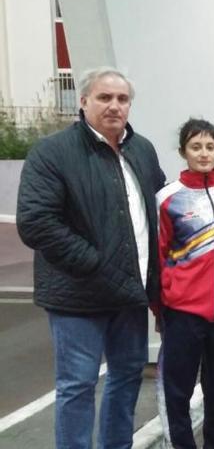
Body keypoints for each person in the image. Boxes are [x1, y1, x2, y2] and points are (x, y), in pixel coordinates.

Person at [16, 67, 166, 448]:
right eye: (104, 98)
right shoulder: (53, 152)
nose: (114, 106)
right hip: (77, 295)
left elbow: (162, 204)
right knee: (78, 385)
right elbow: (36, 222)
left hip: (129, 296)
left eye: (122, 99)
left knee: (127, 376)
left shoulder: (141, 149)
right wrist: (93, 263)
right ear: (83, 102)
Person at [155, 117, 214, 449]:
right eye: (196, 147)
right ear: (183, 151)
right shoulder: (167, 198)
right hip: (184, 313)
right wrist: (162, 306)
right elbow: (158, 255)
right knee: (178, 391)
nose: (204, 153)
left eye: (210, 146)